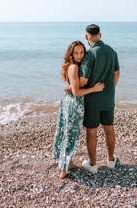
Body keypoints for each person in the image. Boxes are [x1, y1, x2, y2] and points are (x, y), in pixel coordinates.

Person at [68, 24, 120, 174]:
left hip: (92, 100)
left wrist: (69, 87)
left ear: (86, 37)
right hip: (109, 98)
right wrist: (111, 89)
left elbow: (83, 81)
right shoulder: (111, 51)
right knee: (109, 128)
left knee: (91, 132)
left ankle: (93, 164)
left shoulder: (89, 55)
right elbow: (116, 72)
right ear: (100, 35)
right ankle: (111, 160)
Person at [52, 40, 105, 179]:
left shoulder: (73, 66)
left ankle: (66, 163)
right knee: (70, 137)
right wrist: (94, 89)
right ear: (71, 53)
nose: (80, 55)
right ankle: (64, 167)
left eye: (82, 52)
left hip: (69, 103)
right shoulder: (74, 67)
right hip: (74, 104)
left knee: (67, 134)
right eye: (76, 53)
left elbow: (71, 88)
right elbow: (76, 92)